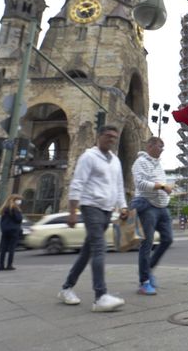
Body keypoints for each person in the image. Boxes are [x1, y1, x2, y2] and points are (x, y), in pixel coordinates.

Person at [58, 125, 129, 312]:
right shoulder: (88, 157)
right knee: (99, 248)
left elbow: (119, 186)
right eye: (108, 136)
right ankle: (100, 296)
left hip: (107, 210)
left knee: (87, 252)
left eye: (115, 137)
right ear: (99, 137)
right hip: (91, 207)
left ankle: (66, 288)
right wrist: (72, 211)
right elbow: (78, 183)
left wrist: (123, 206)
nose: (111, 139)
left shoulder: (115, 161)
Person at [131, 136, 174, 295]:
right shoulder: (140, 162)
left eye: (163, 146)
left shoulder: (158, 164)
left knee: (168, 239)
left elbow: (160, 183)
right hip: (147, 205)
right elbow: (141, 184)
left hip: (162, 207)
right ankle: (144, 282)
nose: (162, 149)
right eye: (159, 146)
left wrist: (166, 189)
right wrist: (163, 186)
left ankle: (148, 269)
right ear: (150, 146)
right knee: (147, 244)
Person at [0, 194, 23, 271]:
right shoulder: (14, 208)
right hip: (13, 230)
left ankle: (1, 265)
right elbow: (18, 219)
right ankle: (9, 265)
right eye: (19, 200)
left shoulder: (4, 208)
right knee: (11, 248)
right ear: (15, 200)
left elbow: (2, 220)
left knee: (3, 248)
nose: (20, 201)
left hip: (5, 230)